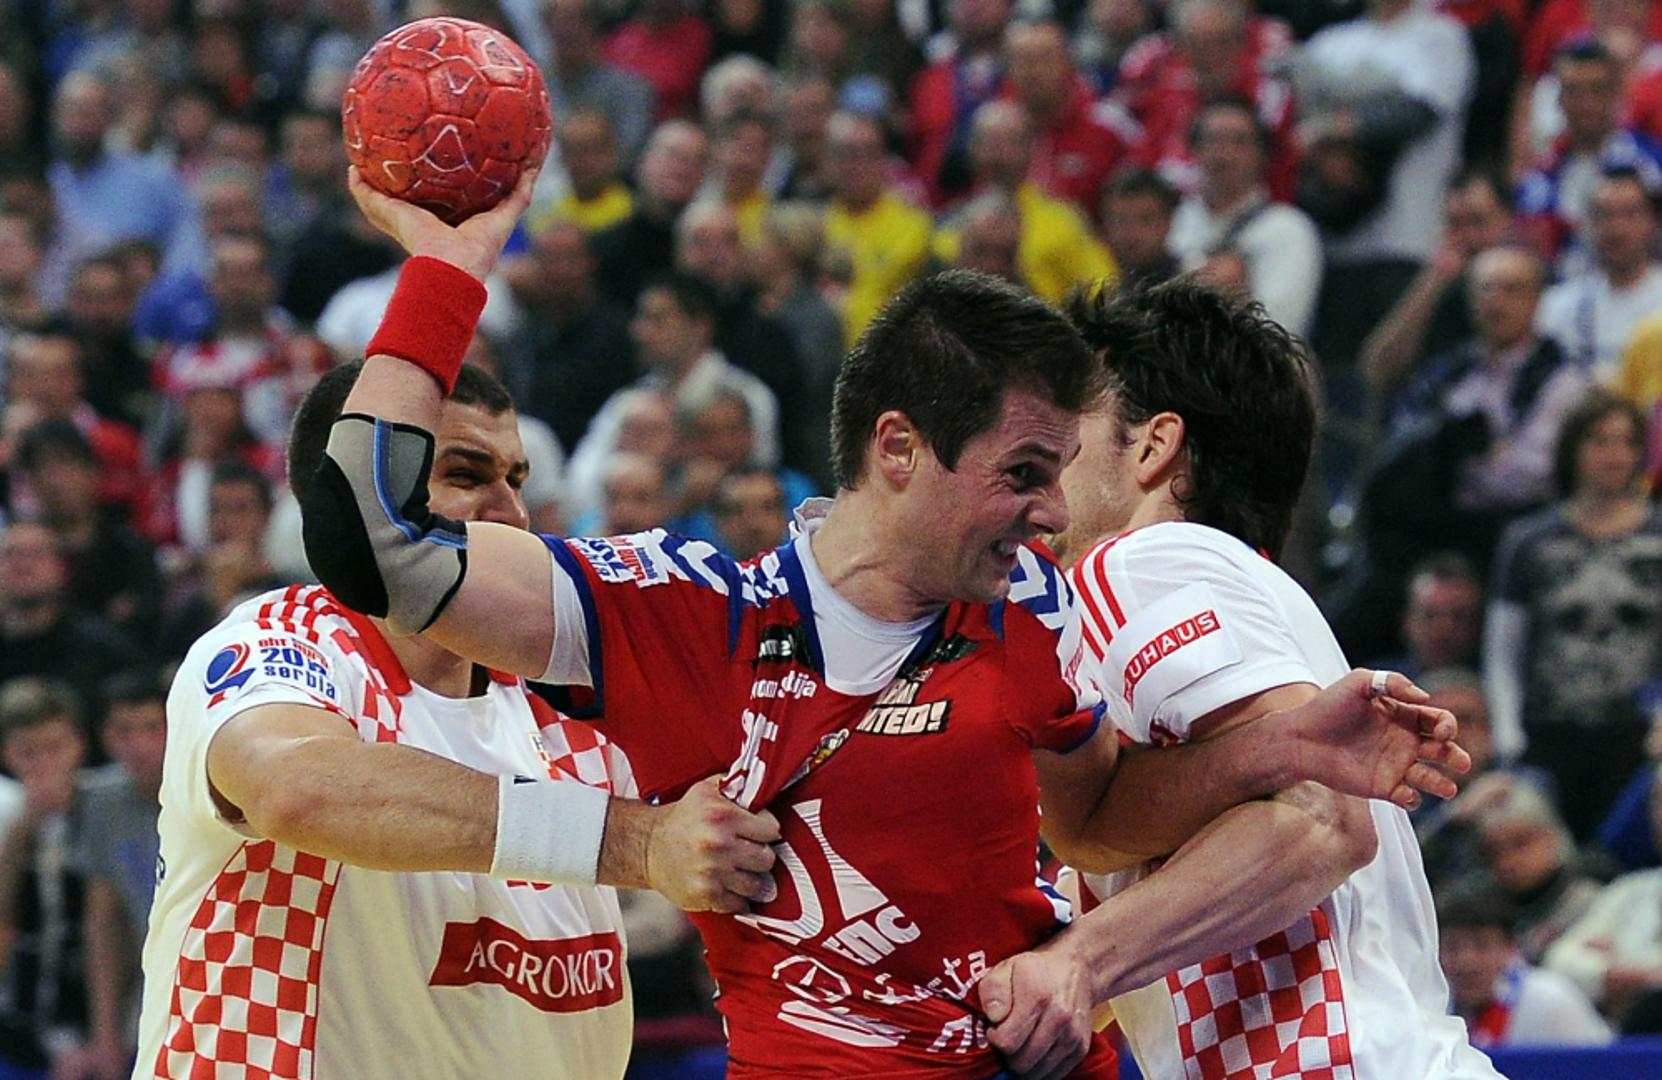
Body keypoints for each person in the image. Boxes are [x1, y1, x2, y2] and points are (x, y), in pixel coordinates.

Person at [299, 164, 1467, 1076]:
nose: (1050, 511)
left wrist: (1273, 749)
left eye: (1061, 468)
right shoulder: (682, 611)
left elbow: (1105, 817)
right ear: (900, 449)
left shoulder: (1039, 610)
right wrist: (448, 272)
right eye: (1022, 472)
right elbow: (370, 539)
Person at [135, 358, 778, 1077]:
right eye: (467, 476)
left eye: (517, 481)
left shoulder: (564, 692)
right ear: (352, 503)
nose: (513, 514)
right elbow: (296, 790)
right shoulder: (282, 640)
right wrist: (638, 844)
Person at [1008, 280, 1499, 1079]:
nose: (1040, 469)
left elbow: (1318, 824)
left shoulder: (1139, 562)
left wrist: (1080, 963)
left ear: (1153, 447)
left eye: (1070, 429)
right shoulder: (1243, 598)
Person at [1485, 391, 1662, 836]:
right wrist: (1508, 735)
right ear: (1572, 448)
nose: (1615, 455)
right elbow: (1503, 647)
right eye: (1600, 441)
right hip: (1550, 730)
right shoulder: (1529, 541)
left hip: (1637, 733)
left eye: (1627, 442)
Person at [0, 678, 93, 1078]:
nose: (42, 763)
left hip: (97, 1028)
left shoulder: (106, 806)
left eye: (54, 748)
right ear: (7, 755)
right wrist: (24, 831)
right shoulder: (6, 811)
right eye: (27, 752)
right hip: (15, 1024)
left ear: (79, 744)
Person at [1439, 883, 1612, 1049]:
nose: (1467, 962)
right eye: (1452, 947)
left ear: (1510, 948)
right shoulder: (1431, 1008)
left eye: (1482, 946)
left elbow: (1600, 1064)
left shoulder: (1551, 1001)